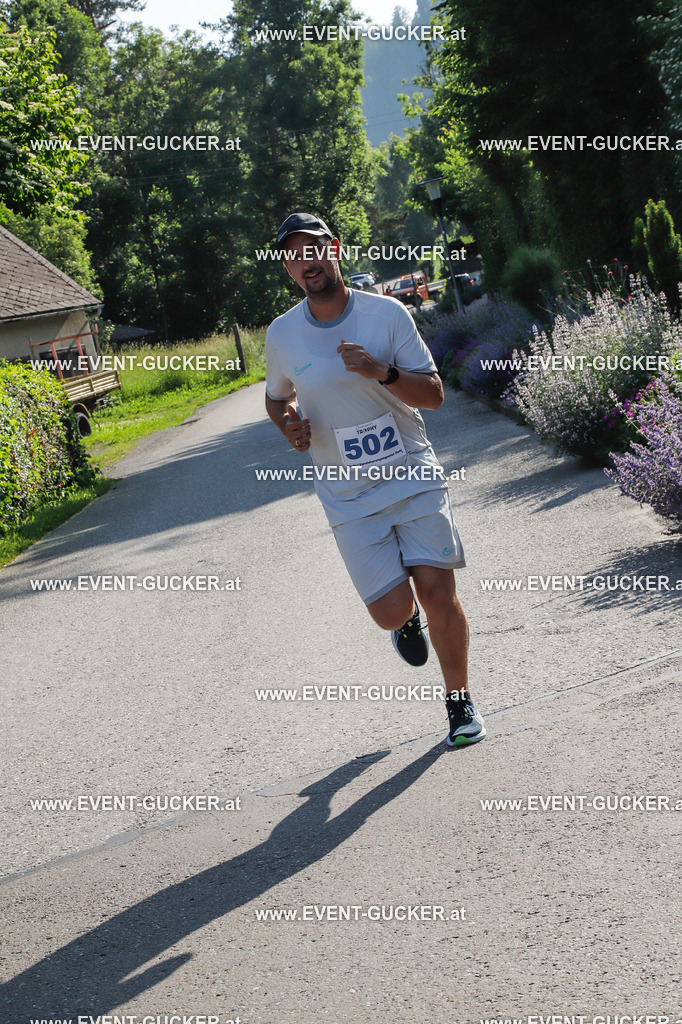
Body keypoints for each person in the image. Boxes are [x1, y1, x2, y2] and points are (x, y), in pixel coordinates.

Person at [264, 212, 485, 747]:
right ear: (288, 268)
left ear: (334, 249)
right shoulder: (282, 334)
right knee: (389, 612)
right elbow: (277, 398)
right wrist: (289, 425)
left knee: (437, 589)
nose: (305, 261)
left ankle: (459, 703)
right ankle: (405, 623)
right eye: (293, 255)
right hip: (347, 492)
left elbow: (432, 393)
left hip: (411, 471)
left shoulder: (387, 314)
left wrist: (381, 371)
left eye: (312, 248)